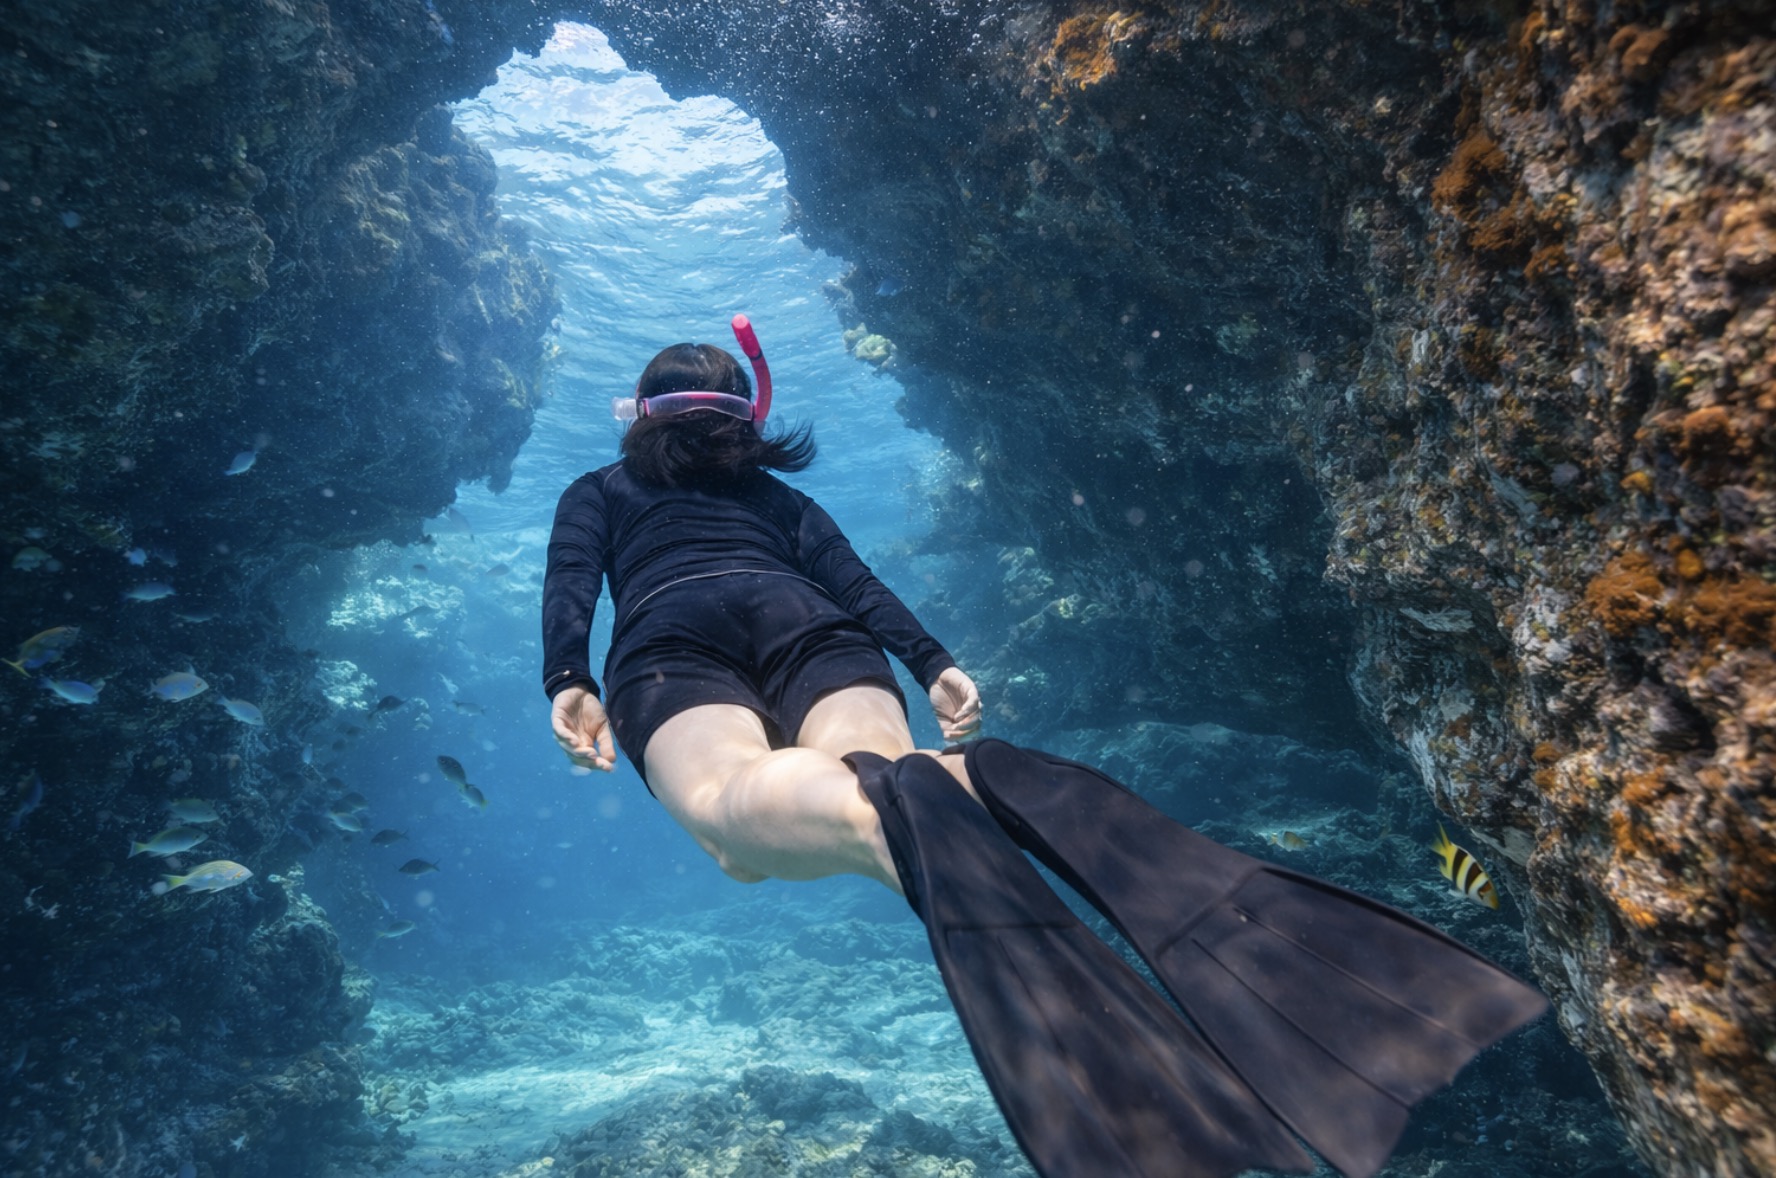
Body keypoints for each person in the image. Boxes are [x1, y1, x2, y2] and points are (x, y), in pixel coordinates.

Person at [543, 317, 1547, 1178]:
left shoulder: (600, 488)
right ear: (743, 421)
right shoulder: (783, 501)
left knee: (733, 819)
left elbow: (574, 582)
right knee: (896, 776)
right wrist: (933, 661)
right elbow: (852, 580)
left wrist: (569, 681)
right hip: (817, 625)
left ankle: (879, 821)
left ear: (640, 419)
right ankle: (968, 774)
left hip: (673, 640)